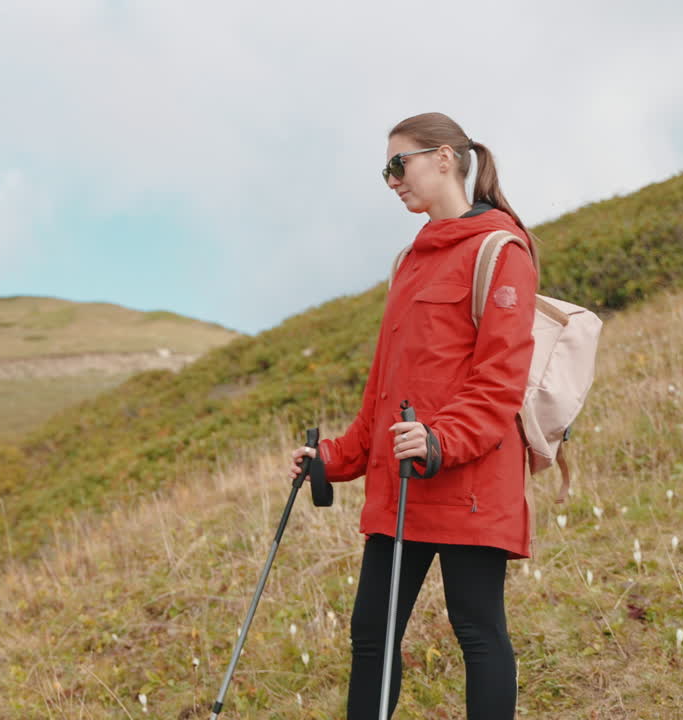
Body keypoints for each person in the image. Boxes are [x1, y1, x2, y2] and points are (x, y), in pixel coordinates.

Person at [289, 112, 537, 719]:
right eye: (386, 171)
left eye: (399, 164)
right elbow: (387, 387)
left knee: (477, 632)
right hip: (401, 484)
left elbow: (500, 381)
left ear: (445, 158)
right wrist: (336, 458)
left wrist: (438, 442)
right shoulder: (409, 260)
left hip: (470, 478)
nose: (392, 180)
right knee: (371, 637)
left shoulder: (501, 251)